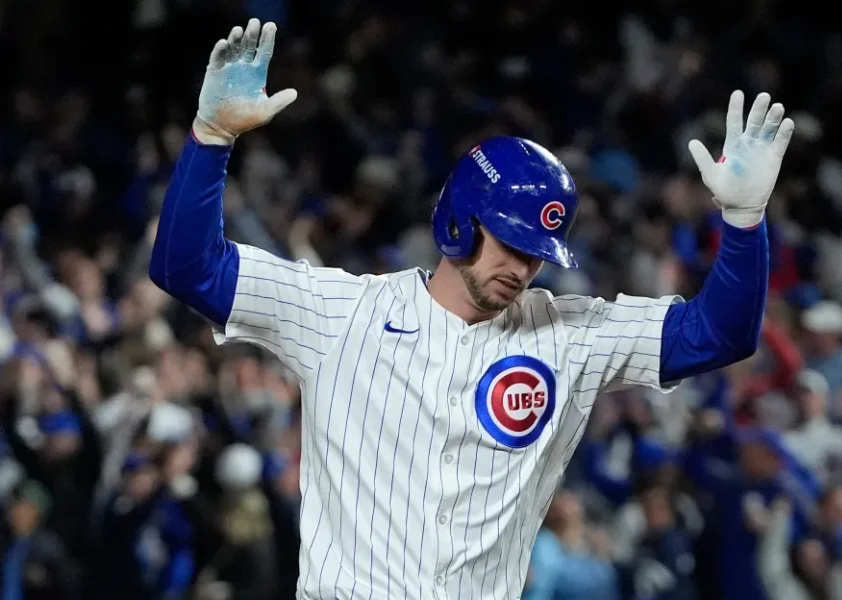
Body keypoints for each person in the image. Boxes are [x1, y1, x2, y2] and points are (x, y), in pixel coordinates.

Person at [149, 18, 795, 600]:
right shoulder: (341, 312)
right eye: (510, 243)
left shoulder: (569, 336)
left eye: (537, 253)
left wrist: (743, 222)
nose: (521, 266)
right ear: (460, 222)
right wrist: (210, 140)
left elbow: (721, 334)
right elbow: (187, 267)